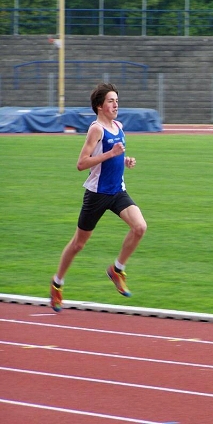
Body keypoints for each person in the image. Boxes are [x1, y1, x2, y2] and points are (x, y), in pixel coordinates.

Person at [49, 83, 147, 312]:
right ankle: (57, 283)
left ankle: (117, 269)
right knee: (78, 244)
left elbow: (112, 158)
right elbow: (81, 164)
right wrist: (111, 153)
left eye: (117, 101)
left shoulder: (119, 126)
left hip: (117, 192)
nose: (116, 105)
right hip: (96, 195)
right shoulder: (96, 130)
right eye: (111, 101)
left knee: (140, 227)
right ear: (100, 106)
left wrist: (124, 160)